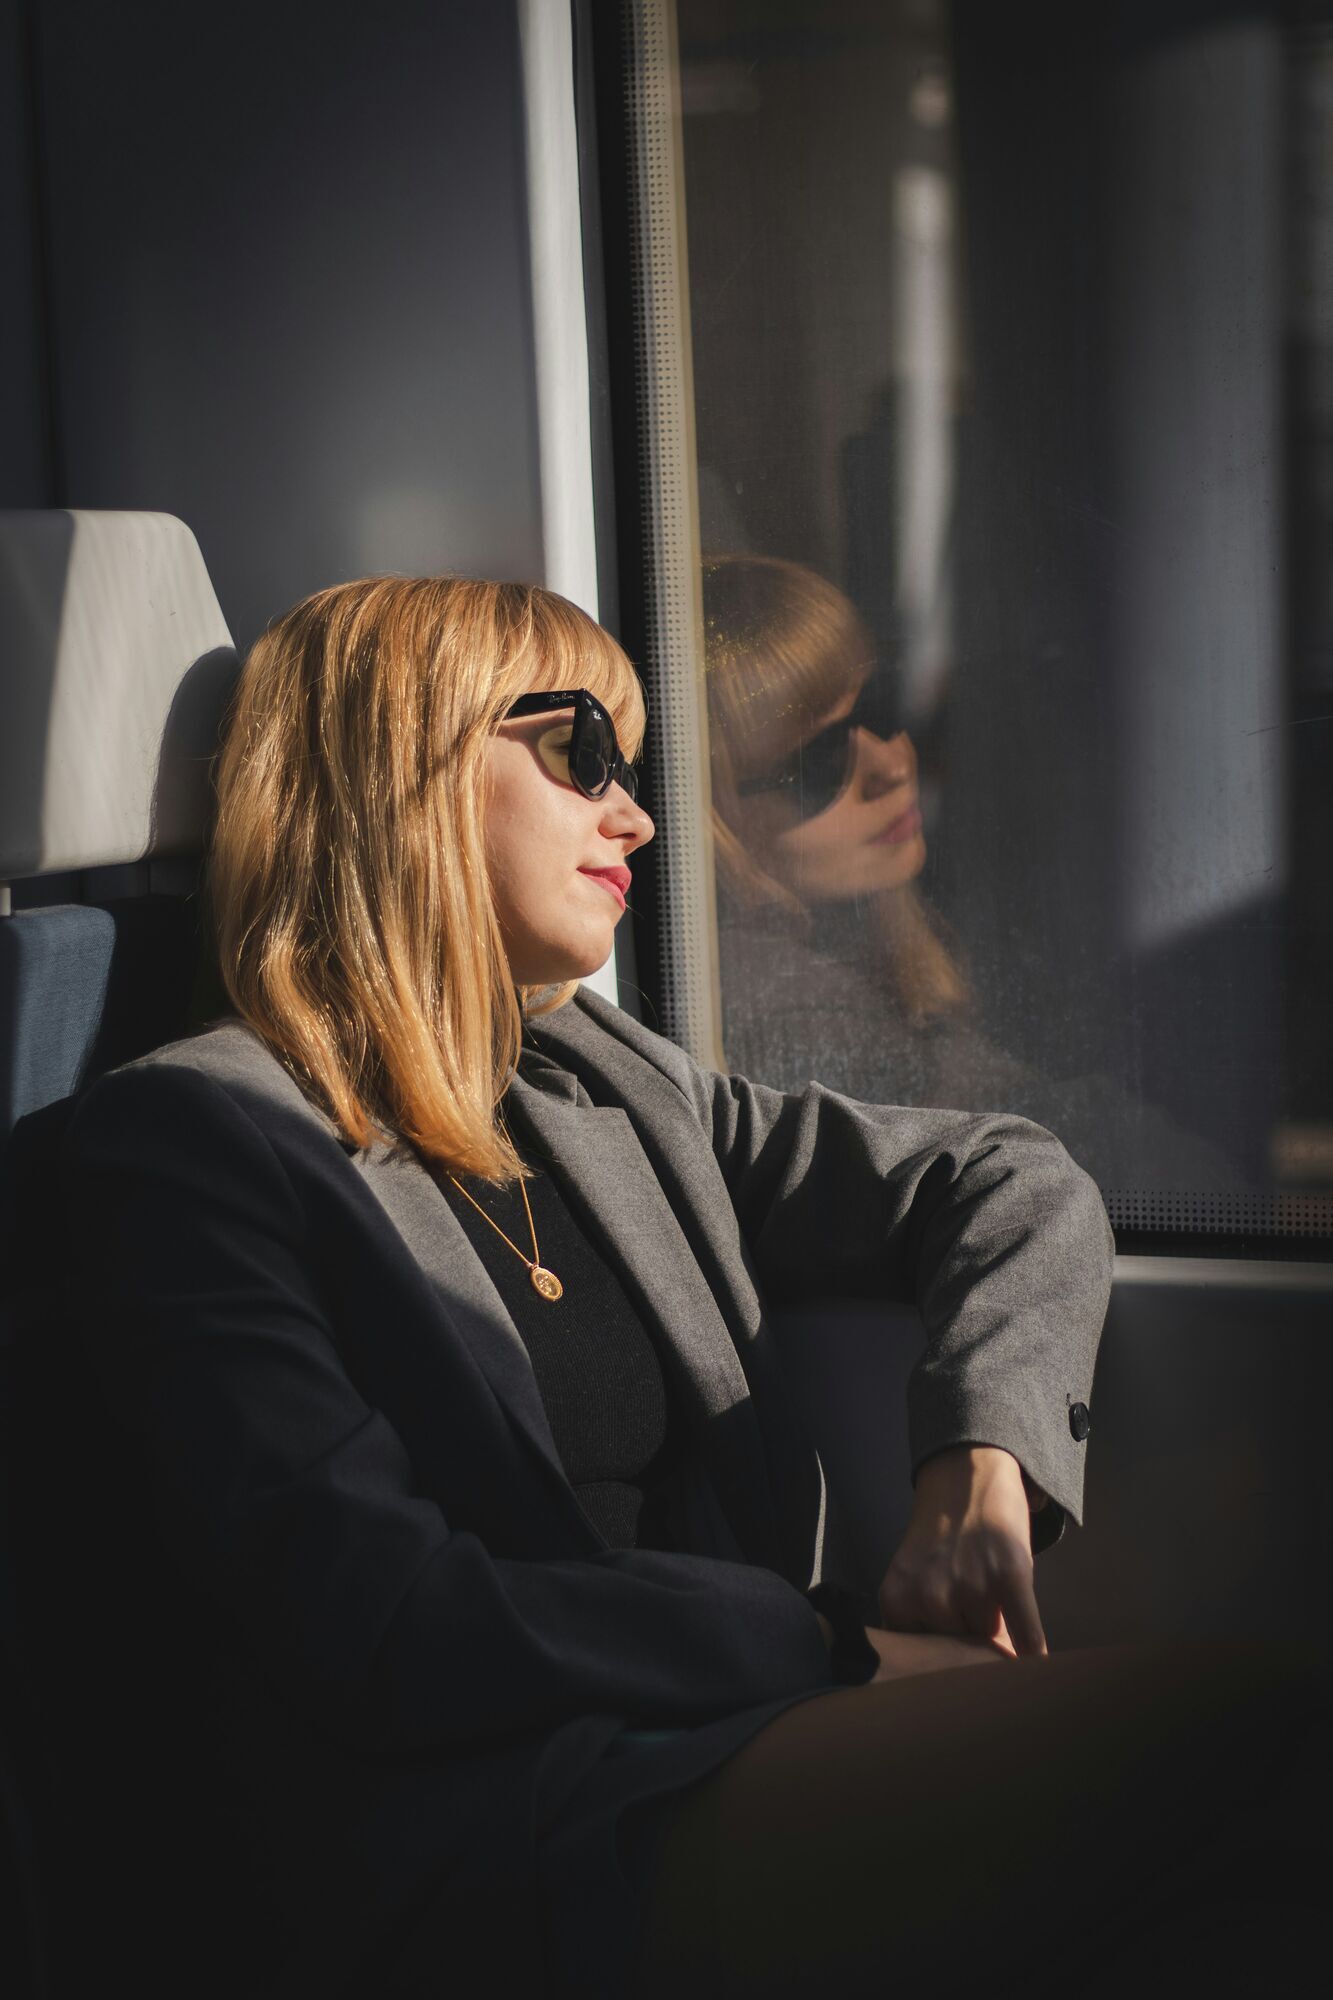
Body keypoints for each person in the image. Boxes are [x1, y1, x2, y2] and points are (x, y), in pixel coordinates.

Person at [55, 576, 1323, 2000]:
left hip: (719, 1739)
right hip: (507, 1829)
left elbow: (1006, 1174)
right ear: (395, 769)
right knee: (1270, 1746)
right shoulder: (190, 1149)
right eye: (580, 751)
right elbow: (387, 1625)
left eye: (638, 769)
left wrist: (985, 1456)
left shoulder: (604, 1080)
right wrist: (833, 1640)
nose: (638, 816)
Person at [702, 552, 1236, 1191]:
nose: (893, 763)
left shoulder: (842, 950)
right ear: (715, 817)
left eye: (880, 704)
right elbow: (1023, 1165)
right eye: (822, 757)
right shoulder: (774, 1018)